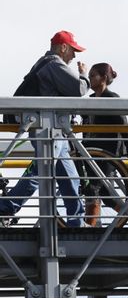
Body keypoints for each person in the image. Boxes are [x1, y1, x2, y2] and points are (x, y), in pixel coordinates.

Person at [0, 31, 89, 228]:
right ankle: (5, 207)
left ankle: (77, 222)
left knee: (70, 177)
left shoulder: (41, 63)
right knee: (42, 170)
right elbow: (79, 89)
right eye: (73, 51)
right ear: (63, 47)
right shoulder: (54, 63)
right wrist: (83, 74)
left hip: (54, 130)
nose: (74, 56)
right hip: (49, 131)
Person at [81, 63, 128, 226]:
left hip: (108, 152)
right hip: (92, 151)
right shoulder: (91, 100)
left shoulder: (112, 98)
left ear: (103, 78)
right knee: (104, 193)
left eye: (93, 75)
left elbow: (123, 125)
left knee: (95, 188)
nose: (90, 78)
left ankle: (89, 227)